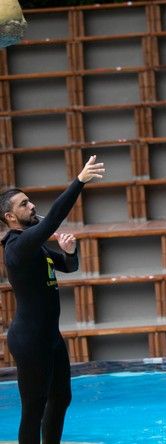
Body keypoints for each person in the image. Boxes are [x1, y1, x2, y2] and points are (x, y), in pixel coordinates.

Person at [1, 155, 105, 443]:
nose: (32, 205)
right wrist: (79, 182)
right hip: (29, 339)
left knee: (60, 399)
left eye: (29, 200)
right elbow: (54, 218)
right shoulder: (17, 247)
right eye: (23, 204)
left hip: (50, 337)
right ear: (10, 217)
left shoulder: (37, 247)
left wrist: (70, 252)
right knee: (33, 409)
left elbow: (69, 267)